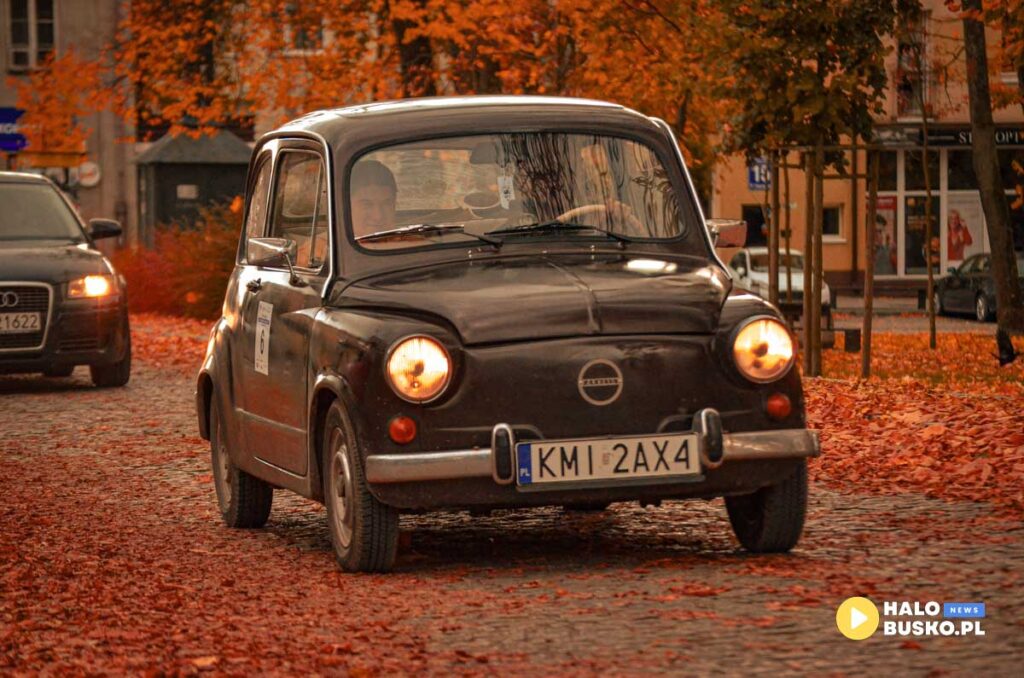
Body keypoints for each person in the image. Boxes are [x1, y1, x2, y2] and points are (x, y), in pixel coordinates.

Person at [350, 159, 397, 239]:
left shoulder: (413, 243)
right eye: (367, 205)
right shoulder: (327, 247)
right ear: (346, 207)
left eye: (386, 204)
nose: (378, 216)